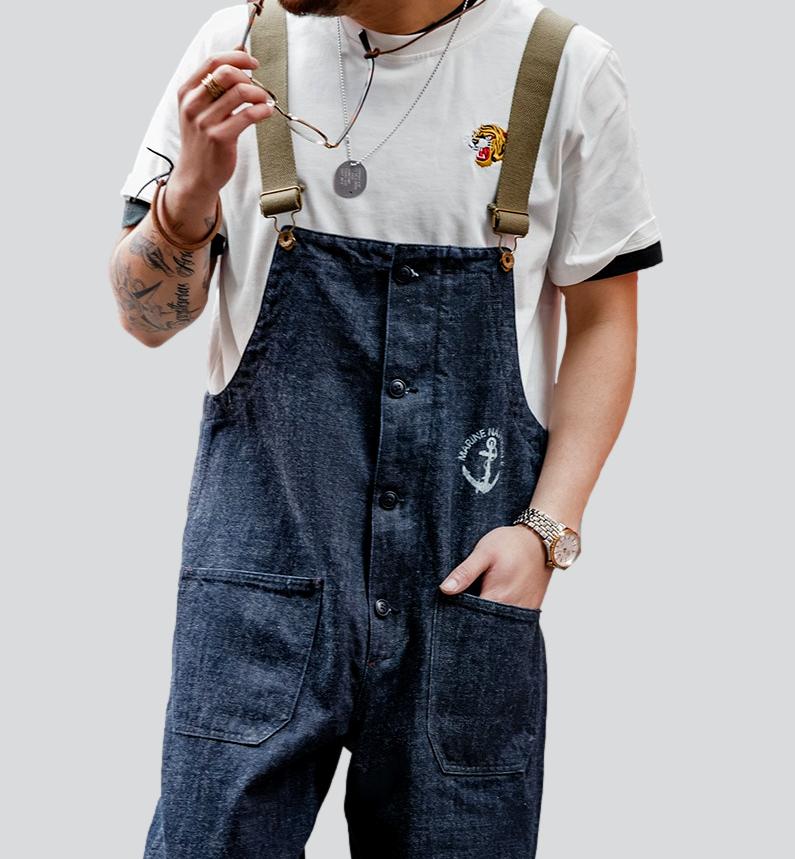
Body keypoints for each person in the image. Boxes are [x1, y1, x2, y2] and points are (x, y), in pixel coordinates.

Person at [109, 0, 663, 856]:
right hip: (258, 586)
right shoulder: (237, 49)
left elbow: (602, 319)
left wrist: (546, 529)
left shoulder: (561, 69)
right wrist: (188, 193)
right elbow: (145, 320)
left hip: (461, 592)